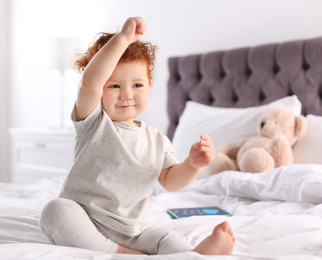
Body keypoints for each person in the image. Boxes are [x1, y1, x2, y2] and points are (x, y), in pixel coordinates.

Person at [40, 17, 235, 255]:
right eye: (114, 86)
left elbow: (170, 181)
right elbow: (90, 82)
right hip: (86, 222)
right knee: (55, 211)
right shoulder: (93, 122)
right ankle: (119, 254)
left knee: (166, 236)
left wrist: (192, 165)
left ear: (149, 84)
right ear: (100, 89)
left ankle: (192, 255)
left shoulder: (156, 139)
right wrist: (122, 39)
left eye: (137, 85)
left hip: (135, 230)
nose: (126, 95)